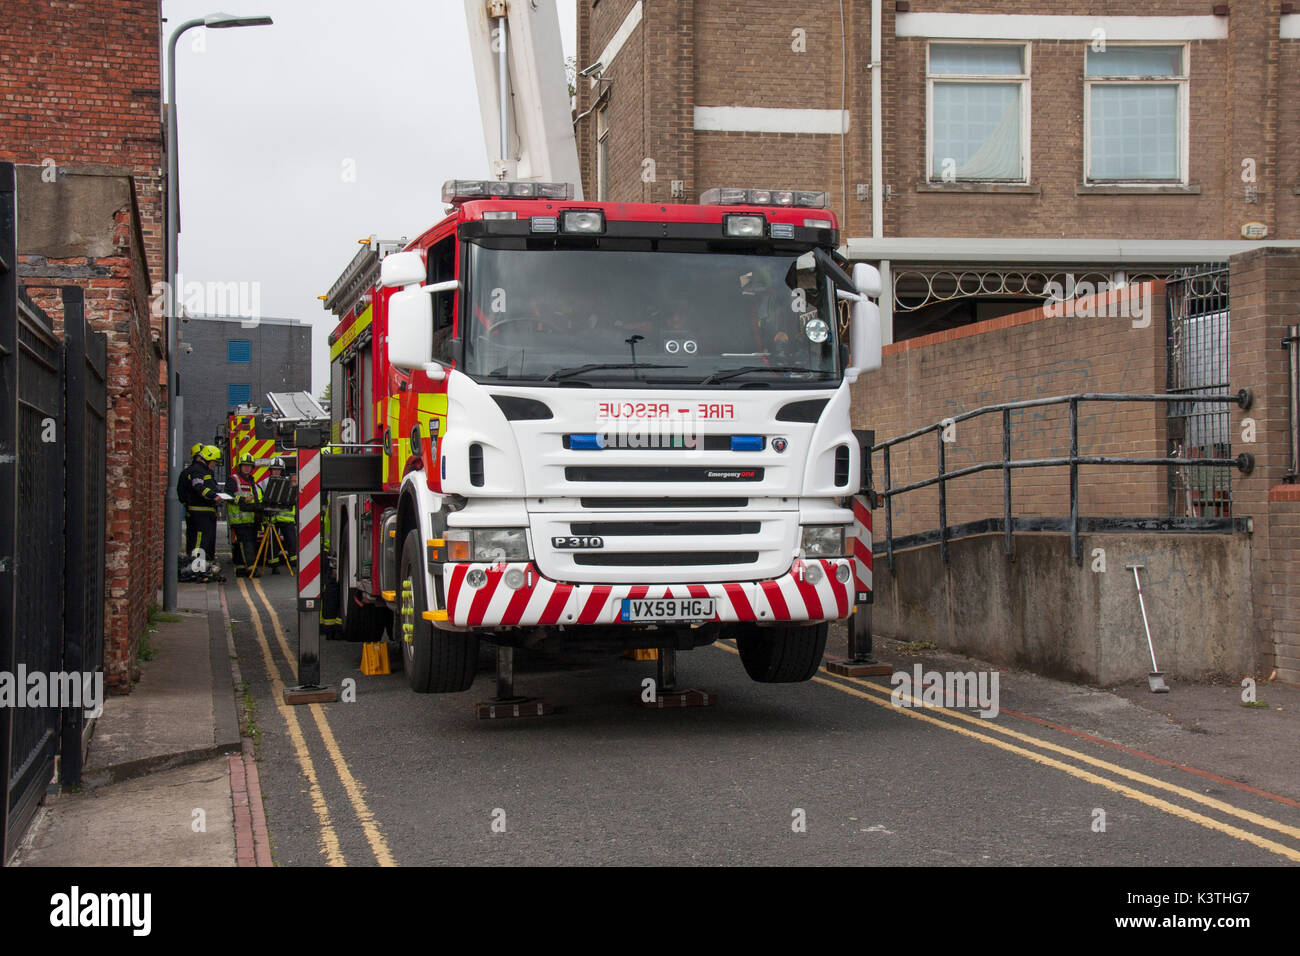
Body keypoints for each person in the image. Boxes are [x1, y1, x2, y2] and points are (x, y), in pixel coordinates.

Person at [179, 445, 223, 572]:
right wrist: (213, 495)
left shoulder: (204, 470)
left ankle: (205, 568)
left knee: (207, 542)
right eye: (214, 462)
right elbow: (198, 486)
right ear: (208, 459)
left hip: (206, 512)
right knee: (199, 542)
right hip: (199, 513)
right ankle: (196, 569)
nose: (214, 465)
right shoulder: (197, 470)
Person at [256, 456, 297, 573]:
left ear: (282, 471)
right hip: (271, 518)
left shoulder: (289, 482)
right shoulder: (263, 484)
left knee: (292, 541)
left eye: (278, 470)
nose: (276, 471)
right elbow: (259, 499)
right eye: (274, 469)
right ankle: (274, 566)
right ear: (270, 470)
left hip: (286, 518)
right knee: (272, 543)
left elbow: (293, 498)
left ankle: (294, 563)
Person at [228, 453, 263, 577]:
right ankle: (251, 568)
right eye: (245, 466)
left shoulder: (251, 480)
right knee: (247, 543)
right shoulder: (234, 479)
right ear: (240, 467)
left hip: (251, 519)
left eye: (249, 466)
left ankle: (240, 567)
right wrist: (243, 500)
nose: (247, 468)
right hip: (239, 519)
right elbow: (228, 496)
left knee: (242, 543)